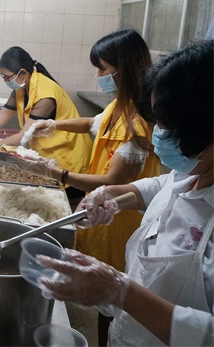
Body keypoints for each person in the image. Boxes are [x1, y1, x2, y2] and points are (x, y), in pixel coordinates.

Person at [36, 40, 213, 346]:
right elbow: (160, 185)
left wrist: (120, 292)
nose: (158, 132)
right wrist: (116, 195)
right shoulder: (193, 169)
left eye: (167, 126)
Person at [14, 30, 161, 344]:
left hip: (120, 220)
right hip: (101, 213)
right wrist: (53, 124)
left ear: (125, 69)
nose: (99, 76)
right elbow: (94, 122)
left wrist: (59, 174)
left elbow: (112, 182)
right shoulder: (119, 106)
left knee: (114, 301)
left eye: (104, 69)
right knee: (101, 295)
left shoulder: (138, 122)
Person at [0, 46, 92, 199]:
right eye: (3, 77)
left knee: (63, 201)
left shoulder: (46, 95)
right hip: (49, 152)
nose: (6, 81)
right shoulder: (21, 89)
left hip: (68, 156)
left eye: (8, 77)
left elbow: (22, 136)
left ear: (22, 72)